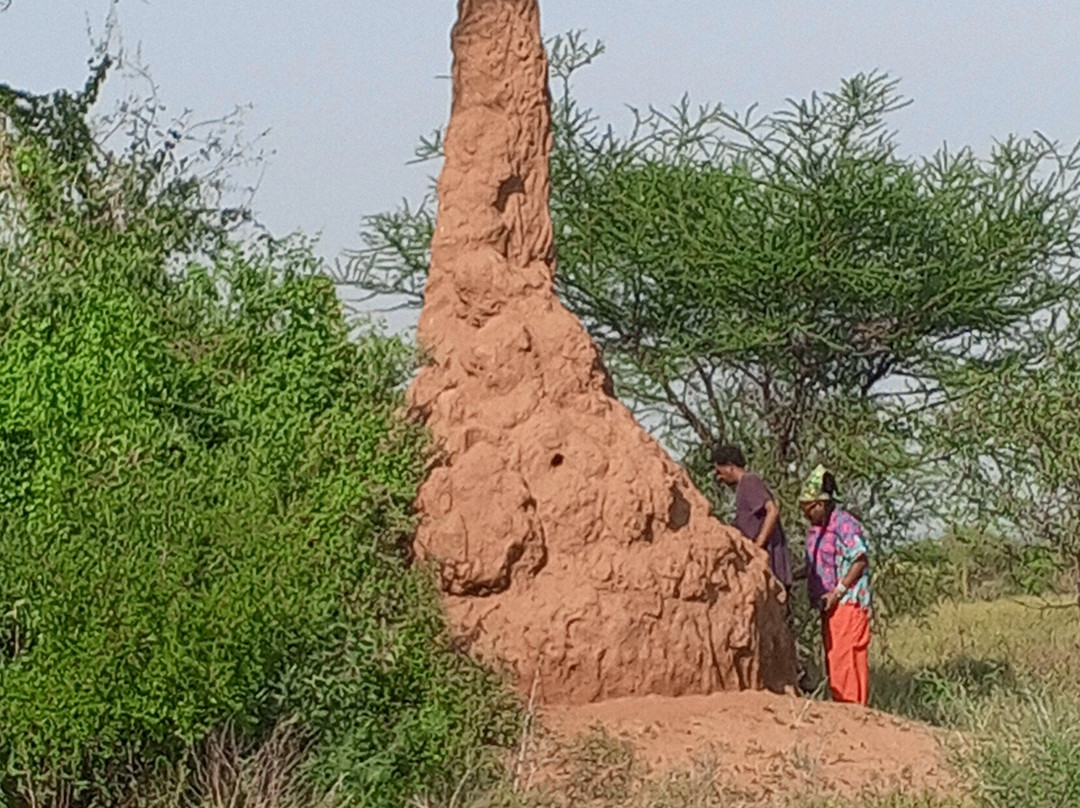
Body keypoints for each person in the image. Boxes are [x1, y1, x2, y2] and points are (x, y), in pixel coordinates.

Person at [799, 464, 872, 706]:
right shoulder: (816, 531)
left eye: (808, 508)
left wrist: (837, 592)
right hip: (829, 606)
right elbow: (813, 566)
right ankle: (849, 707)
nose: (805, 514)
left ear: (820, 504)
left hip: (847, 602)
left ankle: (851, 709)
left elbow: (859, 559)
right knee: (835, 658)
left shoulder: (843, 524)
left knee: (845, 657)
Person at [712, 443, 792, 590]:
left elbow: (772, 510)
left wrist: (758, 544)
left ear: (730, 466)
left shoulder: (749, 482)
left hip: (770, 567)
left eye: (720, 471)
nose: (719, 477)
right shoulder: (744, 487)